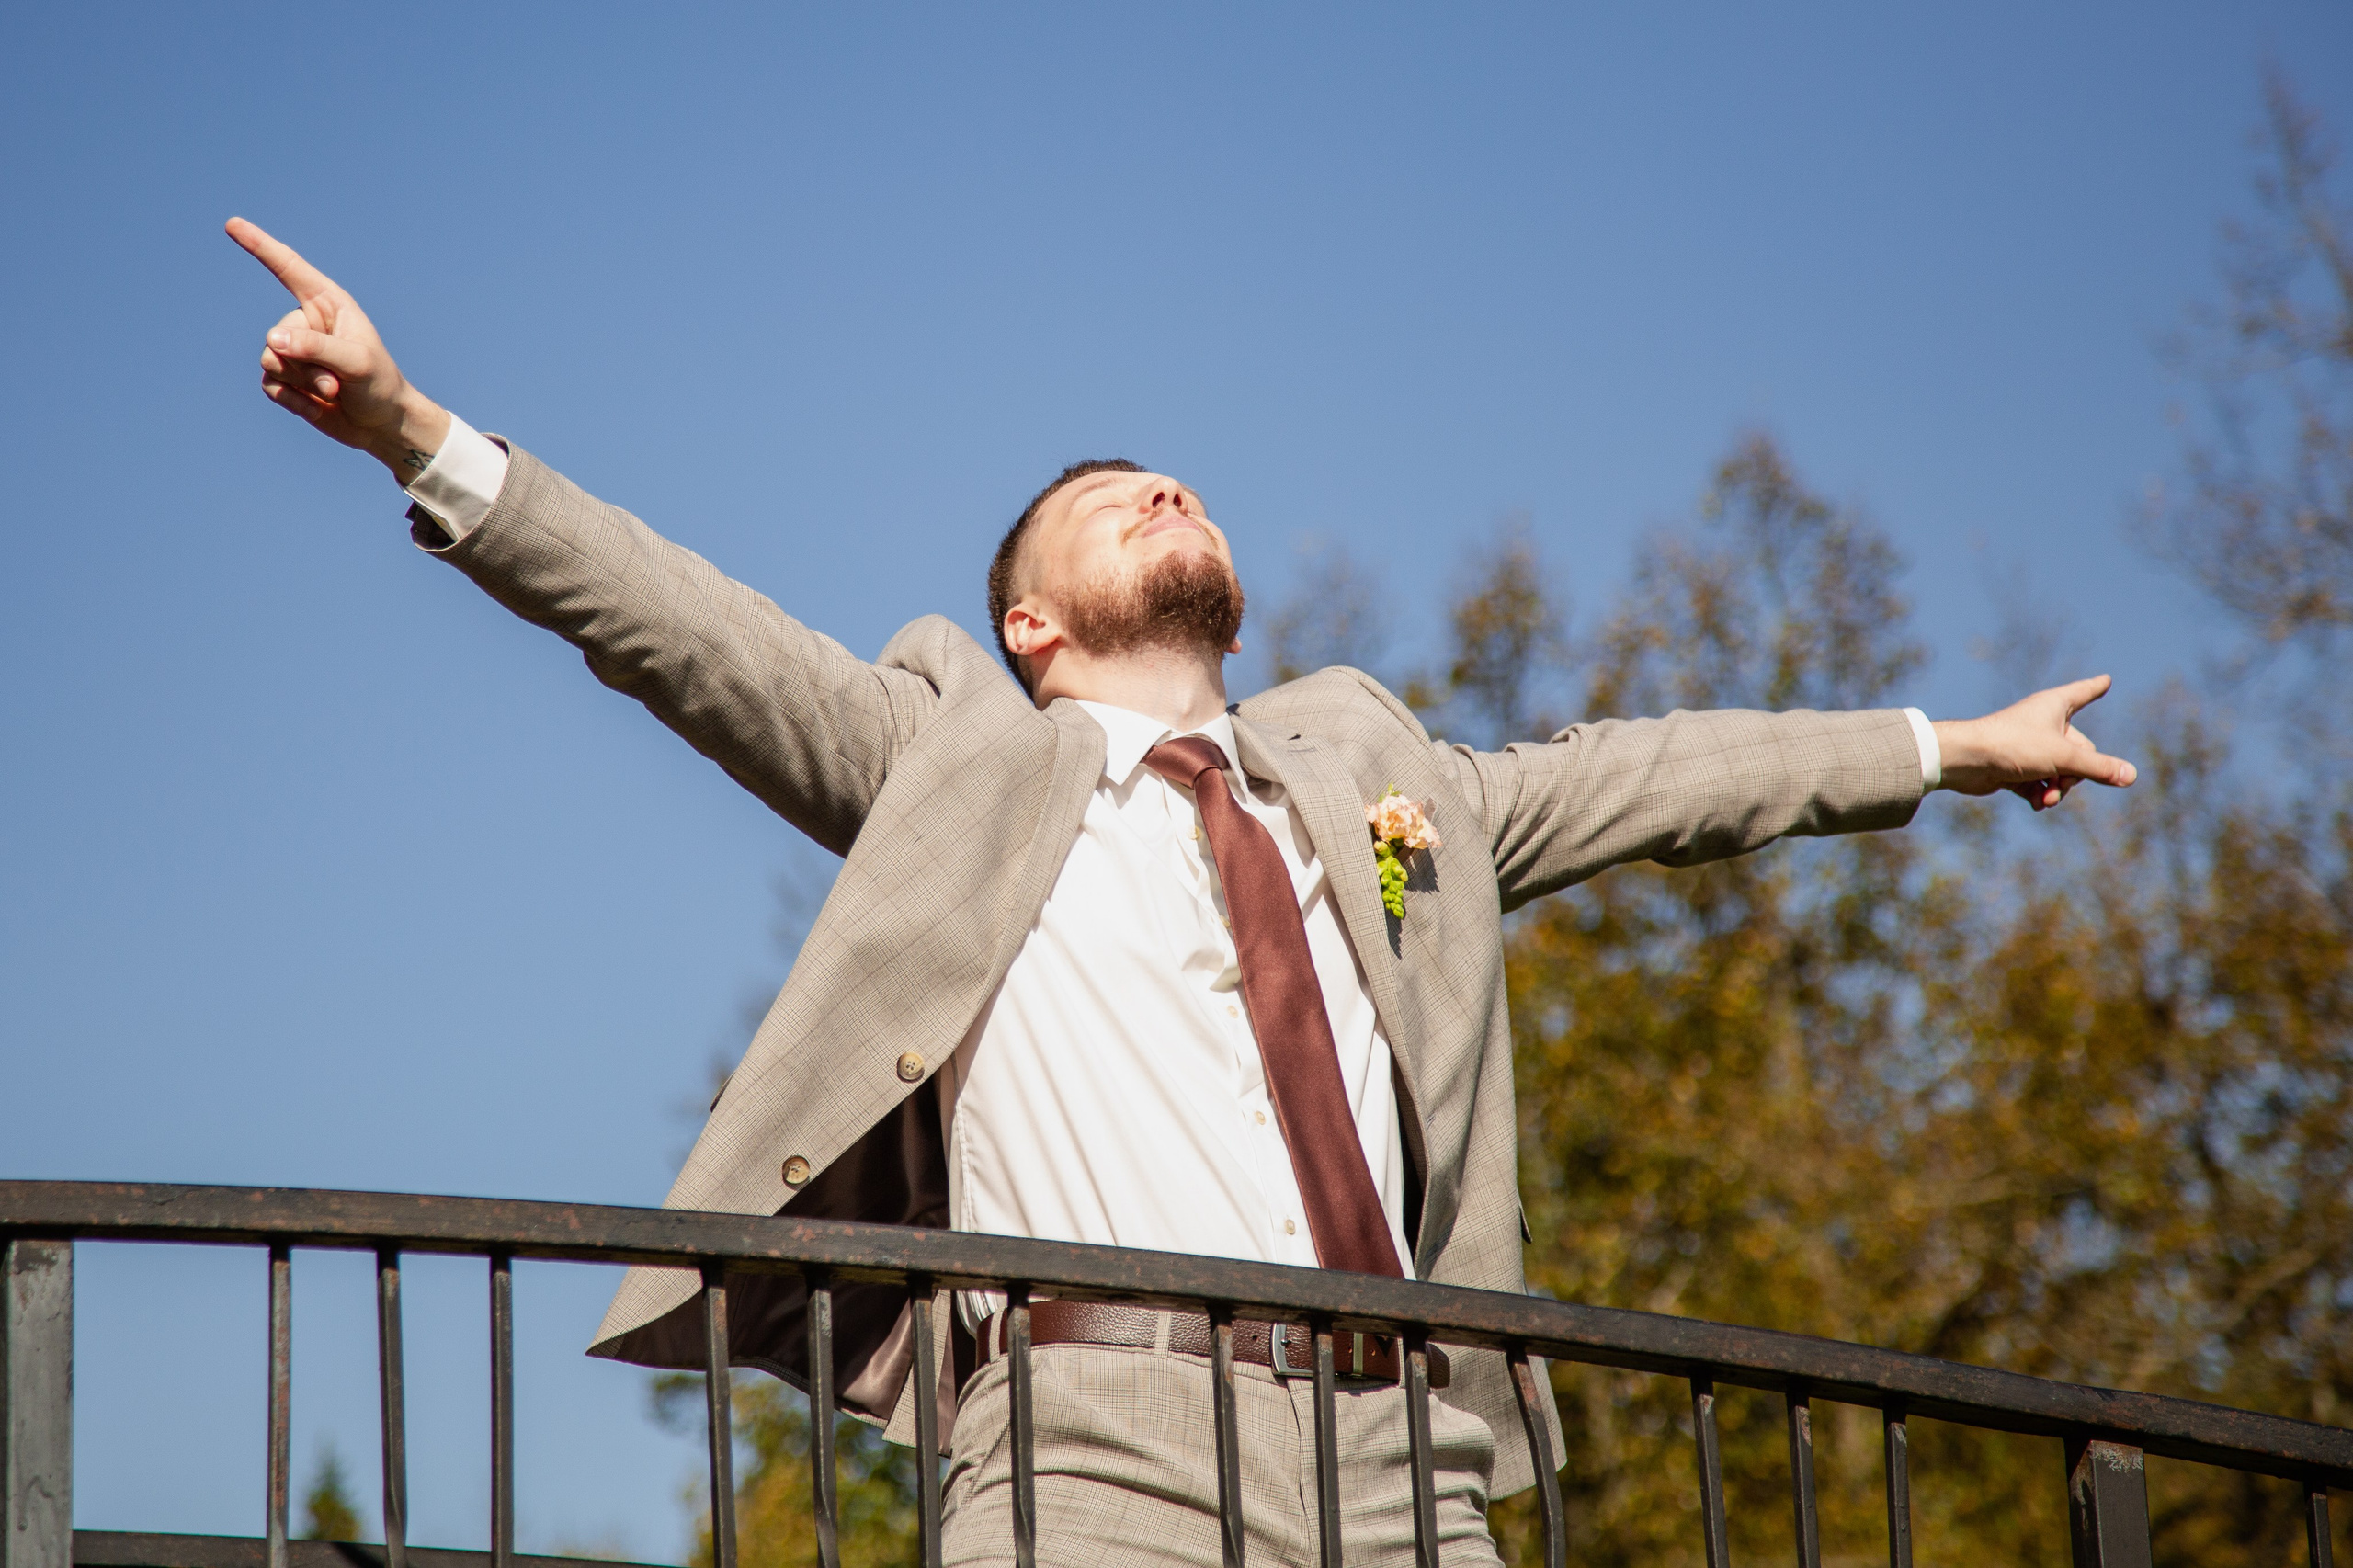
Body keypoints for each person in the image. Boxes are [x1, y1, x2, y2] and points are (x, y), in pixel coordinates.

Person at [227, 217, 2137, 1567]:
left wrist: (1947, 746)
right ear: (1028, 623)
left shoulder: (1380, 784)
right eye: (1109, 497)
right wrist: (411, 428)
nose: (1167, 493)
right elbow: (682, 628)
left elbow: (1656, 777)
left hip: (1408, 1457)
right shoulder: (949, 760)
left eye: (1181, 485)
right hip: (1092, 1445)